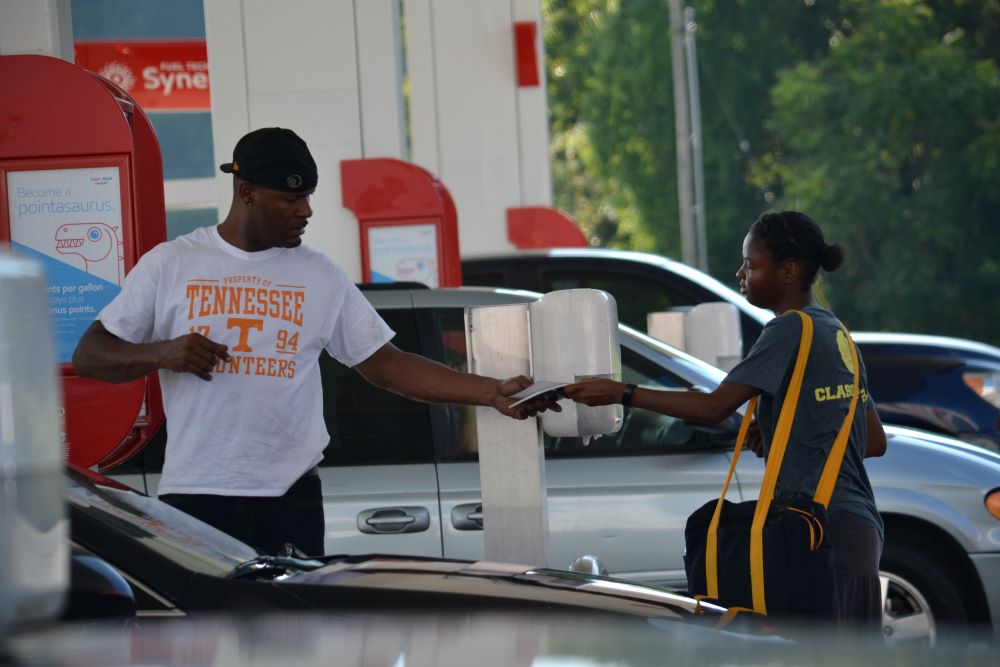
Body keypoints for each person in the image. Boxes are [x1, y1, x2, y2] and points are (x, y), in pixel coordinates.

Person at [72, 127, 551, 558]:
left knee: (293, 643)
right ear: (247, 193)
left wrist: (489, 392)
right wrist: (162, 352)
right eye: (289, 199)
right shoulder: (171, 264)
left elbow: (385, 363)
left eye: (309, 198)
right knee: (211, 647)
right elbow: (91, 354)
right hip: (197, 493)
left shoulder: (319, 274)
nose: (306, 211)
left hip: (290, 497)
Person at [563, 210, 887, 633]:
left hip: (817, 535)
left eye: (752, 265)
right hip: (858, 528)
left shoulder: (787, 330)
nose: (741, 273)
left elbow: (714, 408)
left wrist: (622, 392)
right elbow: (873, 439)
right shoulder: (837, 333)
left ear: (788, 271)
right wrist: (785, 435)